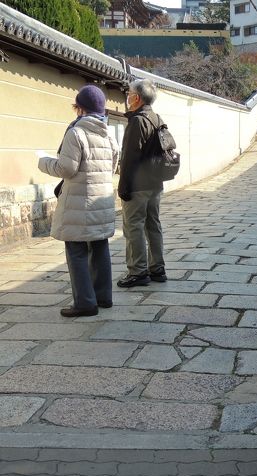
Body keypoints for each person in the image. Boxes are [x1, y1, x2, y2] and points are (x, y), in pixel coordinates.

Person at [38, 85, 119, 317]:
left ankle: (85, 303)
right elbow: (112, 166)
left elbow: (67, 168)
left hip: (79, 204)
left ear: (80, 108)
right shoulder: (108, 134)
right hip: (101, 203)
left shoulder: (77, 133)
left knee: (76, 249)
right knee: (100, 246)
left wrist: (43, 161)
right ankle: (103, 297)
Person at [117, 79, 167, 288]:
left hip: (138, 184)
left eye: (128, 93)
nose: (127, 97)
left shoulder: (137, 121)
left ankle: (137, 271)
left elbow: (129, 157)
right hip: (155, 183)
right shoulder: (157, 118)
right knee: (153, 225)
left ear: (136, 98)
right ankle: (157, 268)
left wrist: (123, 186)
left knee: (134, 226)